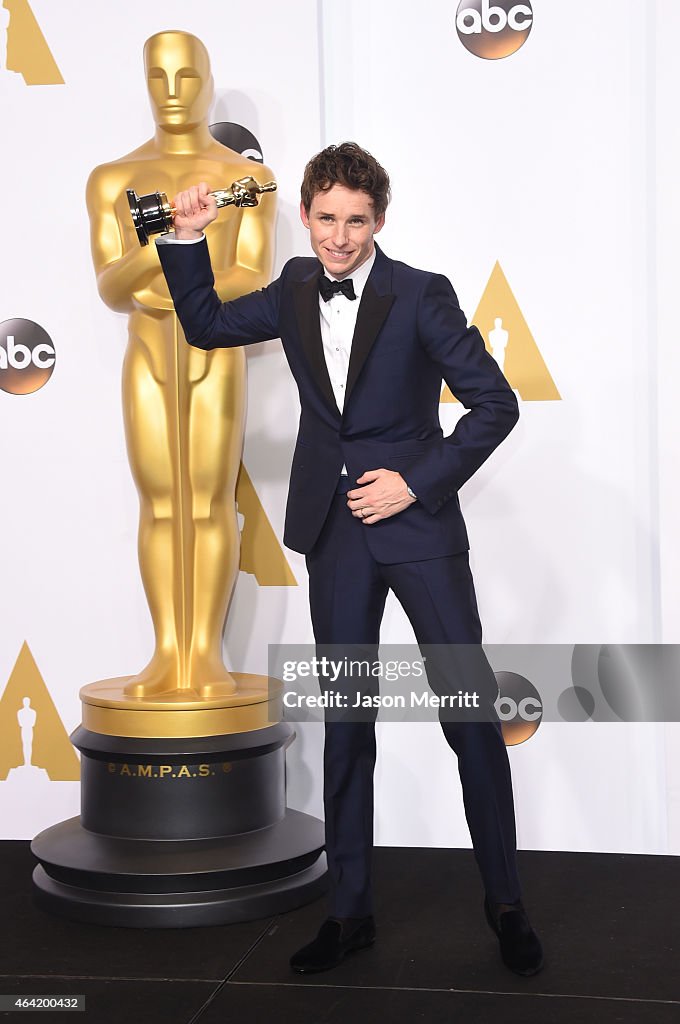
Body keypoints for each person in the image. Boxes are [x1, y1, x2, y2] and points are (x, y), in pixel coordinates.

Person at [155, 142, 543, 976]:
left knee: (468, 715)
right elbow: (209, 325)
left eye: (355, 221)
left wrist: (415, 481)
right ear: (304, 215)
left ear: (379, 221)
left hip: (418, 531)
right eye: (326, 219)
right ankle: (349, 909)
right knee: (347, 723)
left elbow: (494, 404)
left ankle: (505, 903)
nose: (338, 238)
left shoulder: (421, 295)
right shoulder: (296, 286)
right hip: (336, 535)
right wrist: (187, 238)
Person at [86, 31, 276, 699]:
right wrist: (167, 242)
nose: (172, 92)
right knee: (161, 505)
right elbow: (114, 286)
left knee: (208, 502)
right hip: (147, 355)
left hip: (213, 355)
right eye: (158, 77)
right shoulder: (112, 179)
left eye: (186, 77)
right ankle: (168, 652)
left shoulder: (244, 179)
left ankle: (205, 655)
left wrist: (183, 288)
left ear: (208, 79)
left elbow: (253, 275)